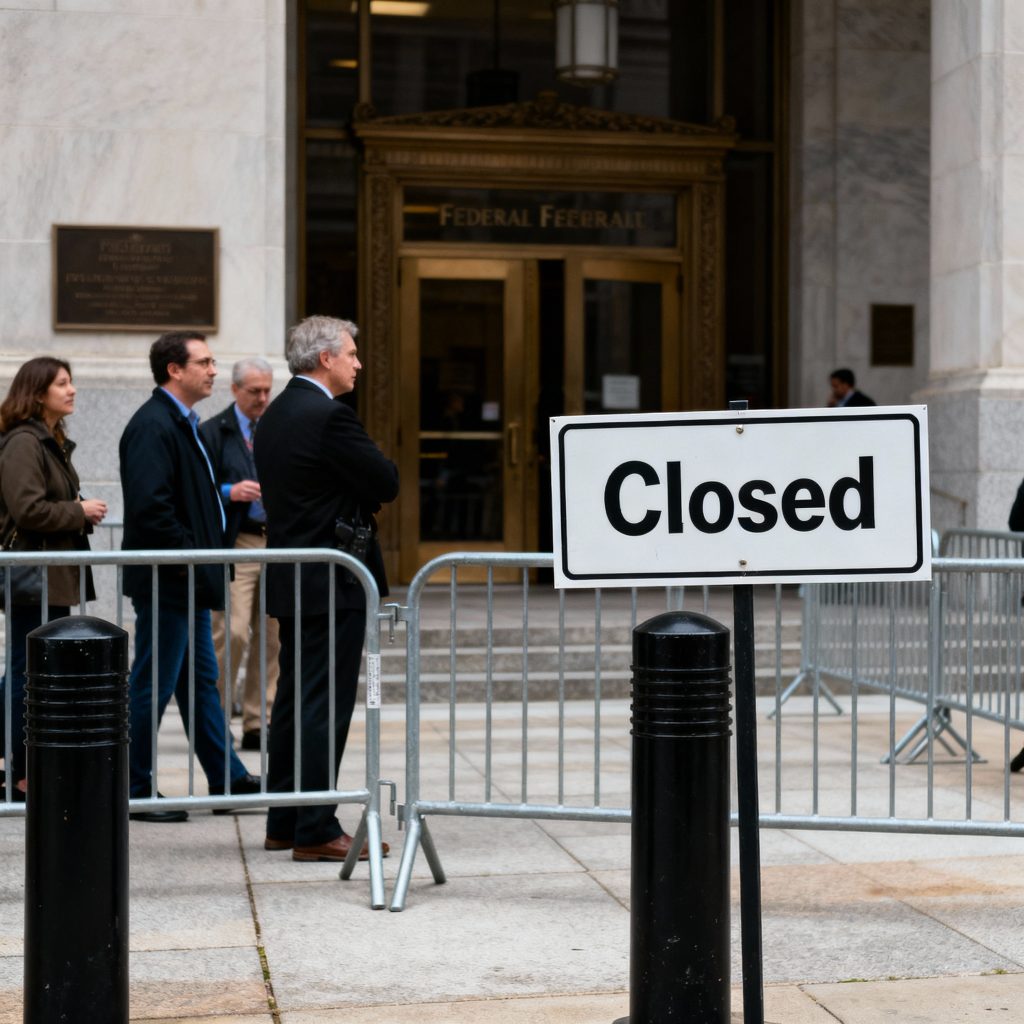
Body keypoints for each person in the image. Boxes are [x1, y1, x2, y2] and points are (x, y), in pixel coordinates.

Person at [255, 315, 399, 862]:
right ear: (325, 359)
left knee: (295, 699)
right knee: (323, 703)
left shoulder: (277, 413)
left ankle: (285, 820)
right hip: (332, 577)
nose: (359, 363)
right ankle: (314, 828)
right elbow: (385, 480)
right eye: (353, 354)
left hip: (297, 574)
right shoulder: (328, 416)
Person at [120, 332, 260, 823]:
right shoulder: (153, 425)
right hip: (169, 579)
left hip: (188, 578)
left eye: (214, 360)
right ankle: (135, 788)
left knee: (200, 681)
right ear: (174, 370)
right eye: (204, 362)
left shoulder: (182, 423)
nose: (214, 370)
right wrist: (193, 556)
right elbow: (152, 509)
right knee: (152, 682)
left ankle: (228, 777)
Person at [0, 357, 107, 799]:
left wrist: (77, 509)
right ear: (38, 392)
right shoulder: (25, 441)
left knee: (30, 668)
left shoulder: (49, 440)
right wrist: (78, 511)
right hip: (33, 574)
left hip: (49, 573)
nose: (73, 389)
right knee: (28, 670)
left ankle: (20, 765)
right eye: (62, 383)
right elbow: (27, 509)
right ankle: (18, 769)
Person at [200, 357, 280, 751]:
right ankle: (215, 720)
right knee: (230, 632)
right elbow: (197, 493)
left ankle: (258, 720)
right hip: (238, 541)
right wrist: (231, 492)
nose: (263, 398)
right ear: (234, 390)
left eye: (267, 390)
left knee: (272, 634)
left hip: (278, 541)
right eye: (254, 391)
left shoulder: (279, 428)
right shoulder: (213, 431)